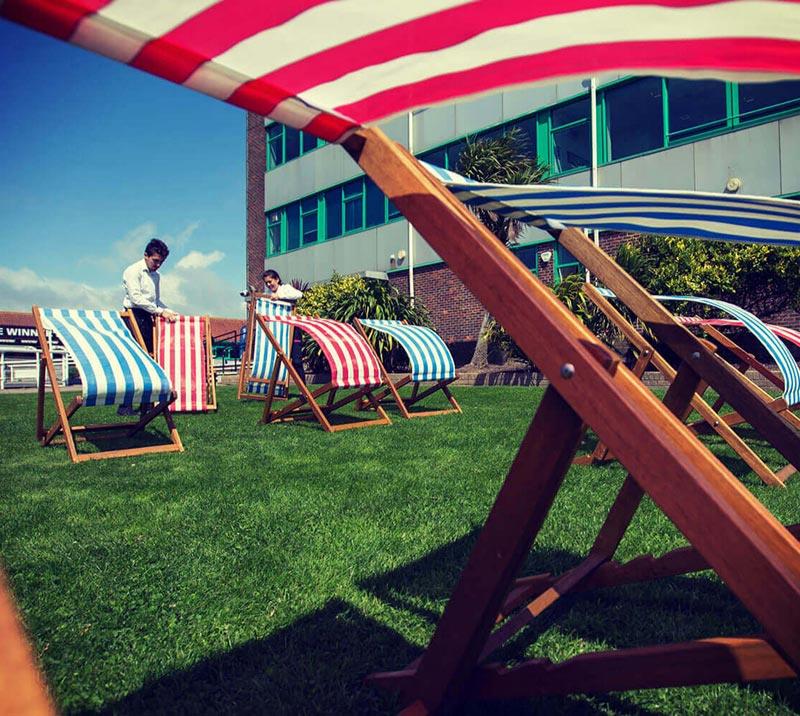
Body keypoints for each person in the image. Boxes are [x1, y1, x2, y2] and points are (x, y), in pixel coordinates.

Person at [122, 238, 178, 355]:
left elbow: (155, 300)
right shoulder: (133, 271)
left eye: (161, 262)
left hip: (149, 315)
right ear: (146, 255)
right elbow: (136, 298)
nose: (158, 265)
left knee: (151, 351)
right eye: (155, 261)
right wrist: (161, 312)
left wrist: (170, 311)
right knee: (138, 352)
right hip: (133, 315)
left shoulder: (156, 276)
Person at [263, 270, 305, 383]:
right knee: (279, 359)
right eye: (266, 283)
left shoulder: (285, 288)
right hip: (278, 329)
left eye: (270, 281)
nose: (268, 284)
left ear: (277, 279)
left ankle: (303, 389)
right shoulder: (269, 295)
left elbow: (299, 295)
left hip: (293, 328)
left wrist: (280, 296)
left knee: (296, 360)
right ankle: (277, 387)